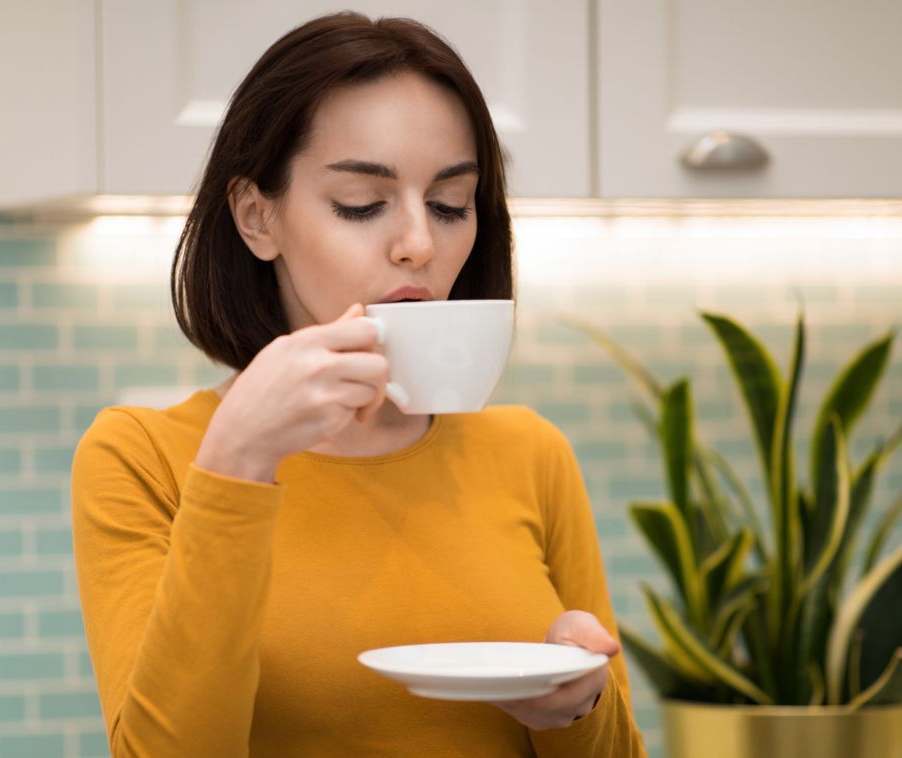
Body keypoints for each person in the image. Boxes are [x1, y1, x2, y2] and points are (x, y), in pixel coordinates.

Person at [71, 12, 645, 757]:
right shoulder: (141, 457)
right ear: (256, 216)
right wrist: (237, 463)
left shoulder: (530, 453)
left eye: (449, 205)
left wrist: (577, 703)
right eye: (361, 204)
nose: (419, 244)